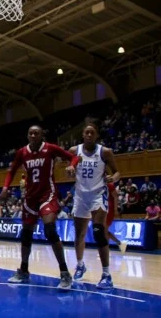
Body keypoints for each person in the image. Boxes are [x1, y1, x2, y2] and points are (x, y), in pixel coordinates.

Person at [2, 125, 78, 289]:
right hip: (30, 196)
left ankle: (65, 273)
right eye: (31, 133)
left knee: (50, 229)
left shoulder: (50, 148)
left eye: (37, 133)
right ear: (27, 136)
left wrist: (72, 165)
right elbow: (11, 171)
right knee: (26, 234)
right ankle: (23, 270)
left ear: (42, 135)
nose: (33, 135)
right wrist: (5, 188)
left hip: (47, 193)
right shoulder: (22, 152)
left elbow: (73, 157)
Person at [69, 119, 121, 289]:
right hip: (80, 196)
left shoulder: (105, 152)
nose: (89, 135)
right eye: (87, 132)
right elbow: (69, 168)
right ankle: (80, 265)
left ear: (97, 135)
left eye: (93, 132)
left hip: (98, 194)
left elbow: (118, 172)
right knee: (79, 233)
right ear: (83, 135)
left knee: (98, 231)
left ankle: (106, 274)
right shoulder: (73, 151)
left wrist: (113, 178)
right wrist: (69, 170)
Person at [105, 181, 127, 253]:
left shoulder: (109, 185)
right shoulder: (98, 185)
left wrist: (115, 209)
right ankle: (119, 244)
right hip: (102, 209)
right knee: (103, 231)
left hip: (109, 209)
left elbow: (115, 196)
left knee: (104, 230)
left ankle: (106, 248)